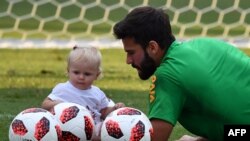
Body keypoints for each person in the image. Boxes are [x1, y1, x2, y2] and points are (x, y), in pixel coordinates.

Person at [113, 6, 250, 141]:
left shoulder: (168, 76)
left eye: (131, 52)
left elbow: (154, 139)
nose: (128, 60)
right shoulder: (205, 44)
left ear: (153, 47)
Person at [41, 46, 125, 141]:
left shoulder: (97, 93)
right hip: (67, 128)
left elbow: (103, 112)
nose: (81, 77)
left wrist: (115, 109)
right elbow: (45, 105)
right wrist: (60, 104)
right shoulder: (62, 89)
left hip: (93, 127)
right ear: (68, 71)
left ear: (97, 75)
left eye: (87, 74)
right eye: (76, 72)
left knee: (109, 128)